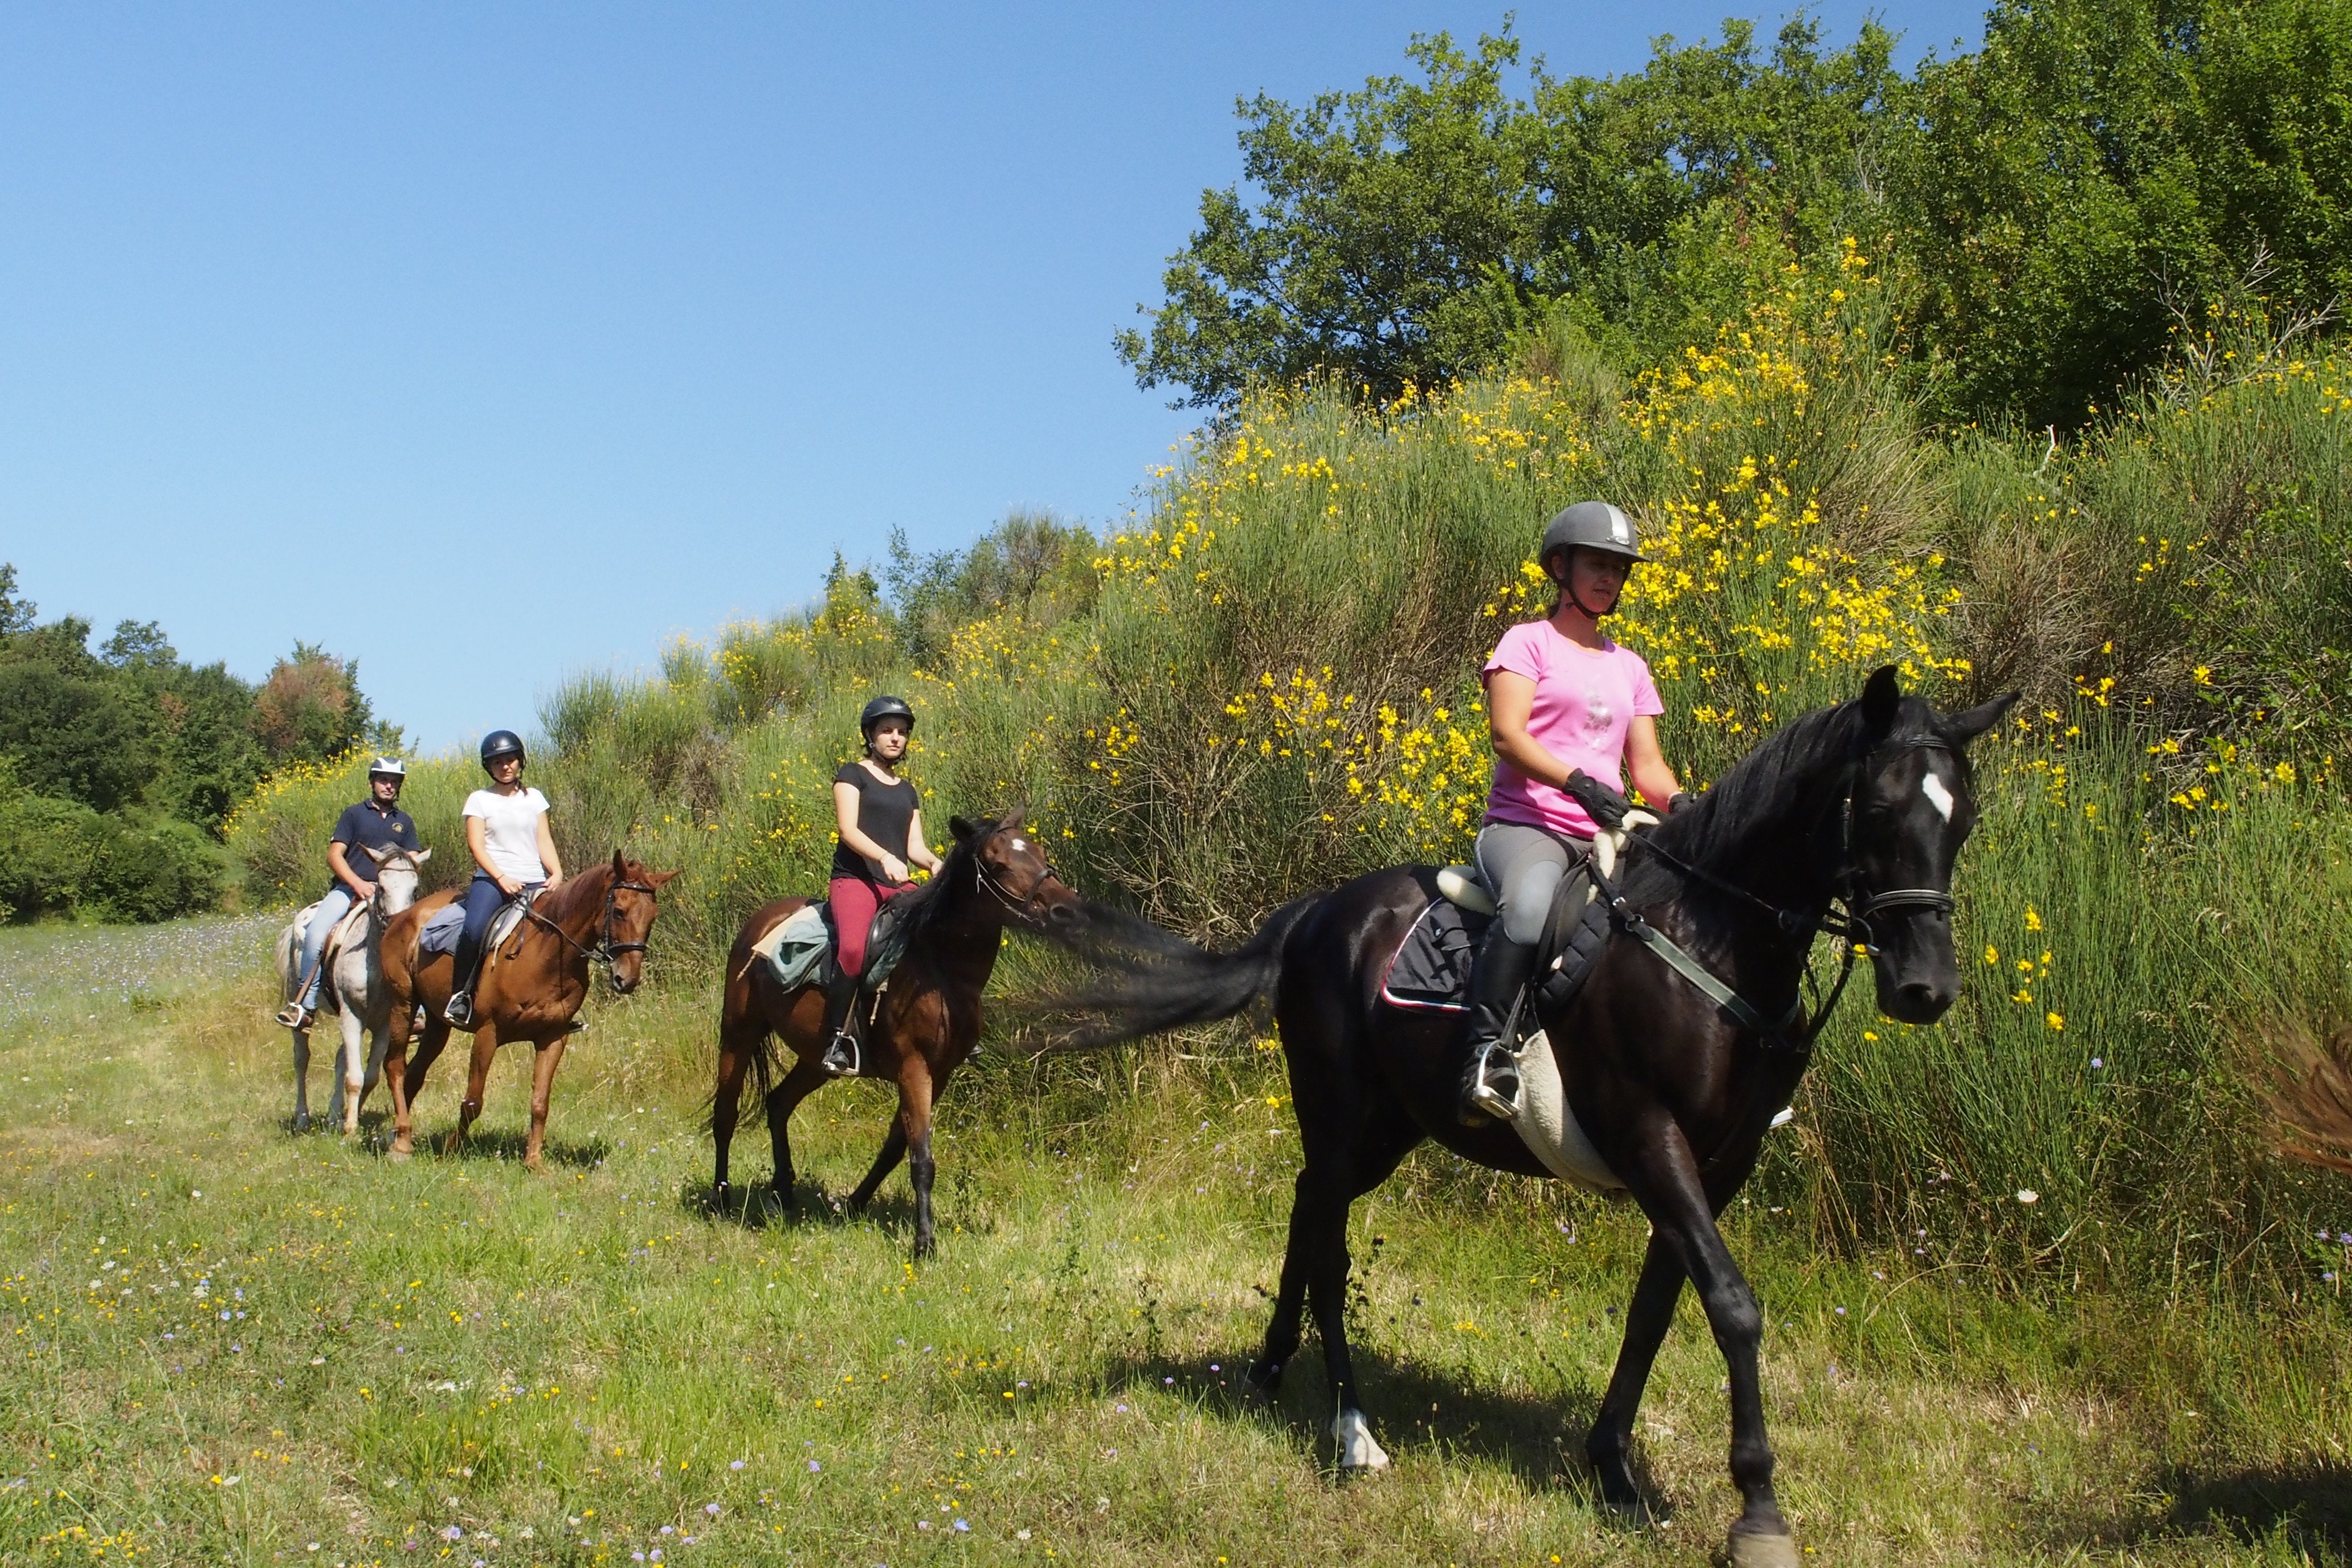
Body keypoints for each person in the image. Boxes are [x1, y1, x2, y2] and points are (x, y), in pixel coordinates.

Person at [1459, 500, 1690, 1125]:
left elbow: (1647, 767)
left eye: (1619, 569)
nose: (1610, 578)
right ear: (1560, 567)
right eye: (1598, 564)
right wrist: (1580, 782)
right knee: (1531, 911)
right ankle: (1489, 1054)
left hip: (1606, 837)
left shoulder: (1630, 667)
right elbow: (1508, 736)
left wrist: (1685, 804)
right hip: (1526, 826)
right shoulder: (1526, 643)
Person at [821, 695, 944, 1075]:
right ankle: (837, 1040)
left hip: (897, 883)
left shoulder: (907, 790)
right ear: (870, 735)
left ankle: (940, 1029)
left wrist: (937, 864)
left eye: (902, 733)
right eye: (887, 731)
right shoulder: (851, 774)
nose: (895, 738)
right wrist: (884, 858)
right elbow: (848, 830)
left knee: (938, 936)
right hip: (855, 880)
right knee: (856, 950)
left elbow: (914, 847)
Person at [277, 757, 422, 1028]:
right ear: (372, 782)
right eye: (383, 780)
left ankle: (419, 1011)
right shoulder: (354, 814)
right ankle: (304, 1005)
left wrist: (408, 870)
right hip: (350, 889)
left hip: (391, 892)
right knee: (317, 933)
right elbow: (335, 855)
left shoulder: (405, 821)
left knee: (418, 939)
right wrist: (357, 883)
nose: (389, 786)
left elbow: (412, 857)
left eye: (394, 782)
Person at [445, 730, 564, 1028]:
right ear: (489, 767)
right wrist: (501, 877)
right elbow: (476, 845)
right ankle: (461, 996)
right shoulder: (479, 800)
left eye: (510, 760)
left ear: (520, 761)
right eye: (497, 762)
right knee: (473, 931)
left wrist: (557, 872)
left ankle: (561, 1003)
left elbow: (543, 840)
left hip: (535, 880)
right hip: (493, 879)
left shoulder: (534, 798)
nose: (505, 766)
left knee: (562, 934)